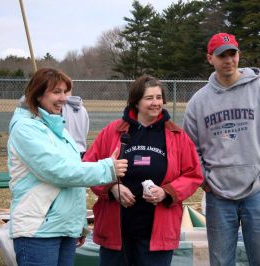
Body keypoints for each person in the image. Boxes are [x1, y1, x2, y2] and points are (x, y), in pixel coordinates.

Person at [183, 33, 260, 266]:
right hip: (218, 197)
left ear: (239, 55)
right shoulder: (199, 102)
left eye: (232, 53)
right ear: (210, 58)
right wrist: (206, 181)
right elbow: (190, 149)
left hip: (257, 193)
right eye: (222, 55)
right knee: (221, 262)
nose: (228, 60)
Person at [7, 67, 128, 266]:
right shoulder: (25, 129)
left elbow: (73, 182)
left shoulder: (59, 131)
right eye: (56, 92)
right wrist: (108, 168)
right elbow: (58, 172)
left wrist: (77, 224)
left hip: (63, 228)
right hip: (38, 230)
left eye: (65, 92)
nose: (63, 98)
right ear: (37, 95)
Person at [83, 75, 203, 266]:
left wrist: (166, 191)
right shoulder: (112, 132)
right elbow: (88, 168)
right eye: (149, 98)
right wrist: (112, 187)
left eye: (159, 97)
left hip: (157, 234)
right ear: (136, 102)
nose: (156, 103)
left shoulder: (176, 135)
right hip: (116, 231)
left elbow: (193, 174)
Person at [62, 89, 90, 158]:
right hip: (81, 151)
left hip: (66, 152)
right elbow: (85, 131)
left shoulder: (59, 108)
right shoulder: (83, 109)